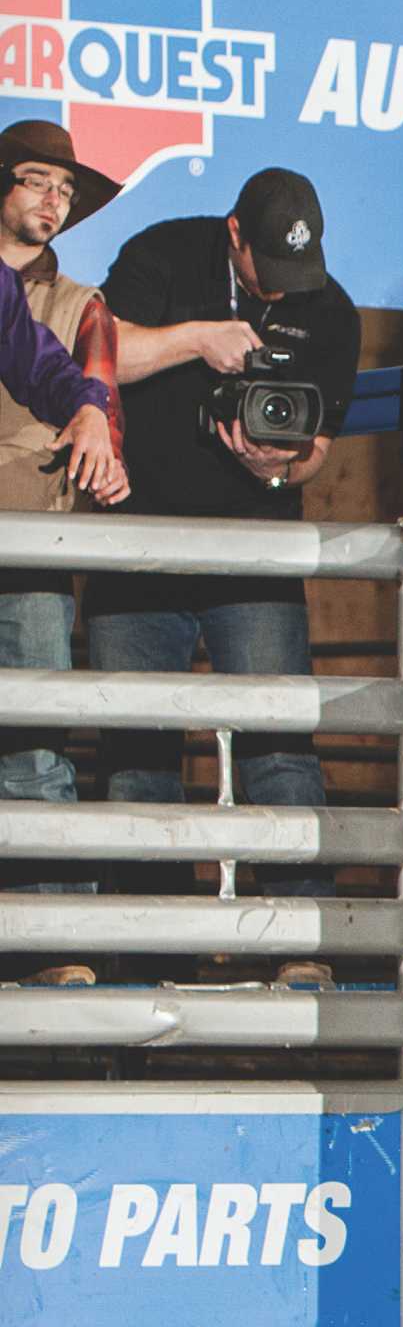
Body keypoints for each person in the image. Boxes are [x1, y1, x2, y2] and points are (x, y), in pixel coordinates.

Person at [91, 168, 361, 986]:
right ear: (235, 233)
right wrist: (197, 338)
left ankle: (301, 943)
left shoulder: (332, 308)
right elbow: (95, 356)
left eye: (295, 280)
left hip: (258, 546)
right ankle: (148, 951)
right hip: (138, 542)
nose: (280, 295)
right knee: (137, 754)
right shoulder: (161, 253)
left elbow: (321, 443)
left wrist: (281, 463)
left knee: (280, 745)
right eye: (265, 275)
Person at [0, 120, 127, 986]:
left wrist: (91, 411)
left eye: (64, 190)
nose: (51, 201)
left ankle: (53, 948)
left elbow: (51, 367)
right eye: (37, 181)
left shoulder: (77, 302)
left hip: (28, 539)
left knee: (37, 748)